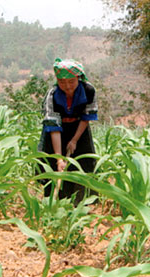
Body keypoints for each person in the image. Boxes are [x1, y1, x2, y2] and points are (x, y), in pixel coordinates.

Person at [38, 58, 98, 203]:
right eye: (62, 82)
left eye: (71, 82)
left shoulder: (88, 91)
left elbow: (86, 117)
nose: (67, 86)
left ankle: (83, 202)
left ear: (78, 78)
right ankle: (55, 202)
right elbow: (54, 128)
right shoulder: (52, 95)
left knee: (84, 163)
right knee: (53, 165)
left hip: (79, 128)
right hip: (57, 132)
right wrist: (59, 158)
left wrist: (75, 140)